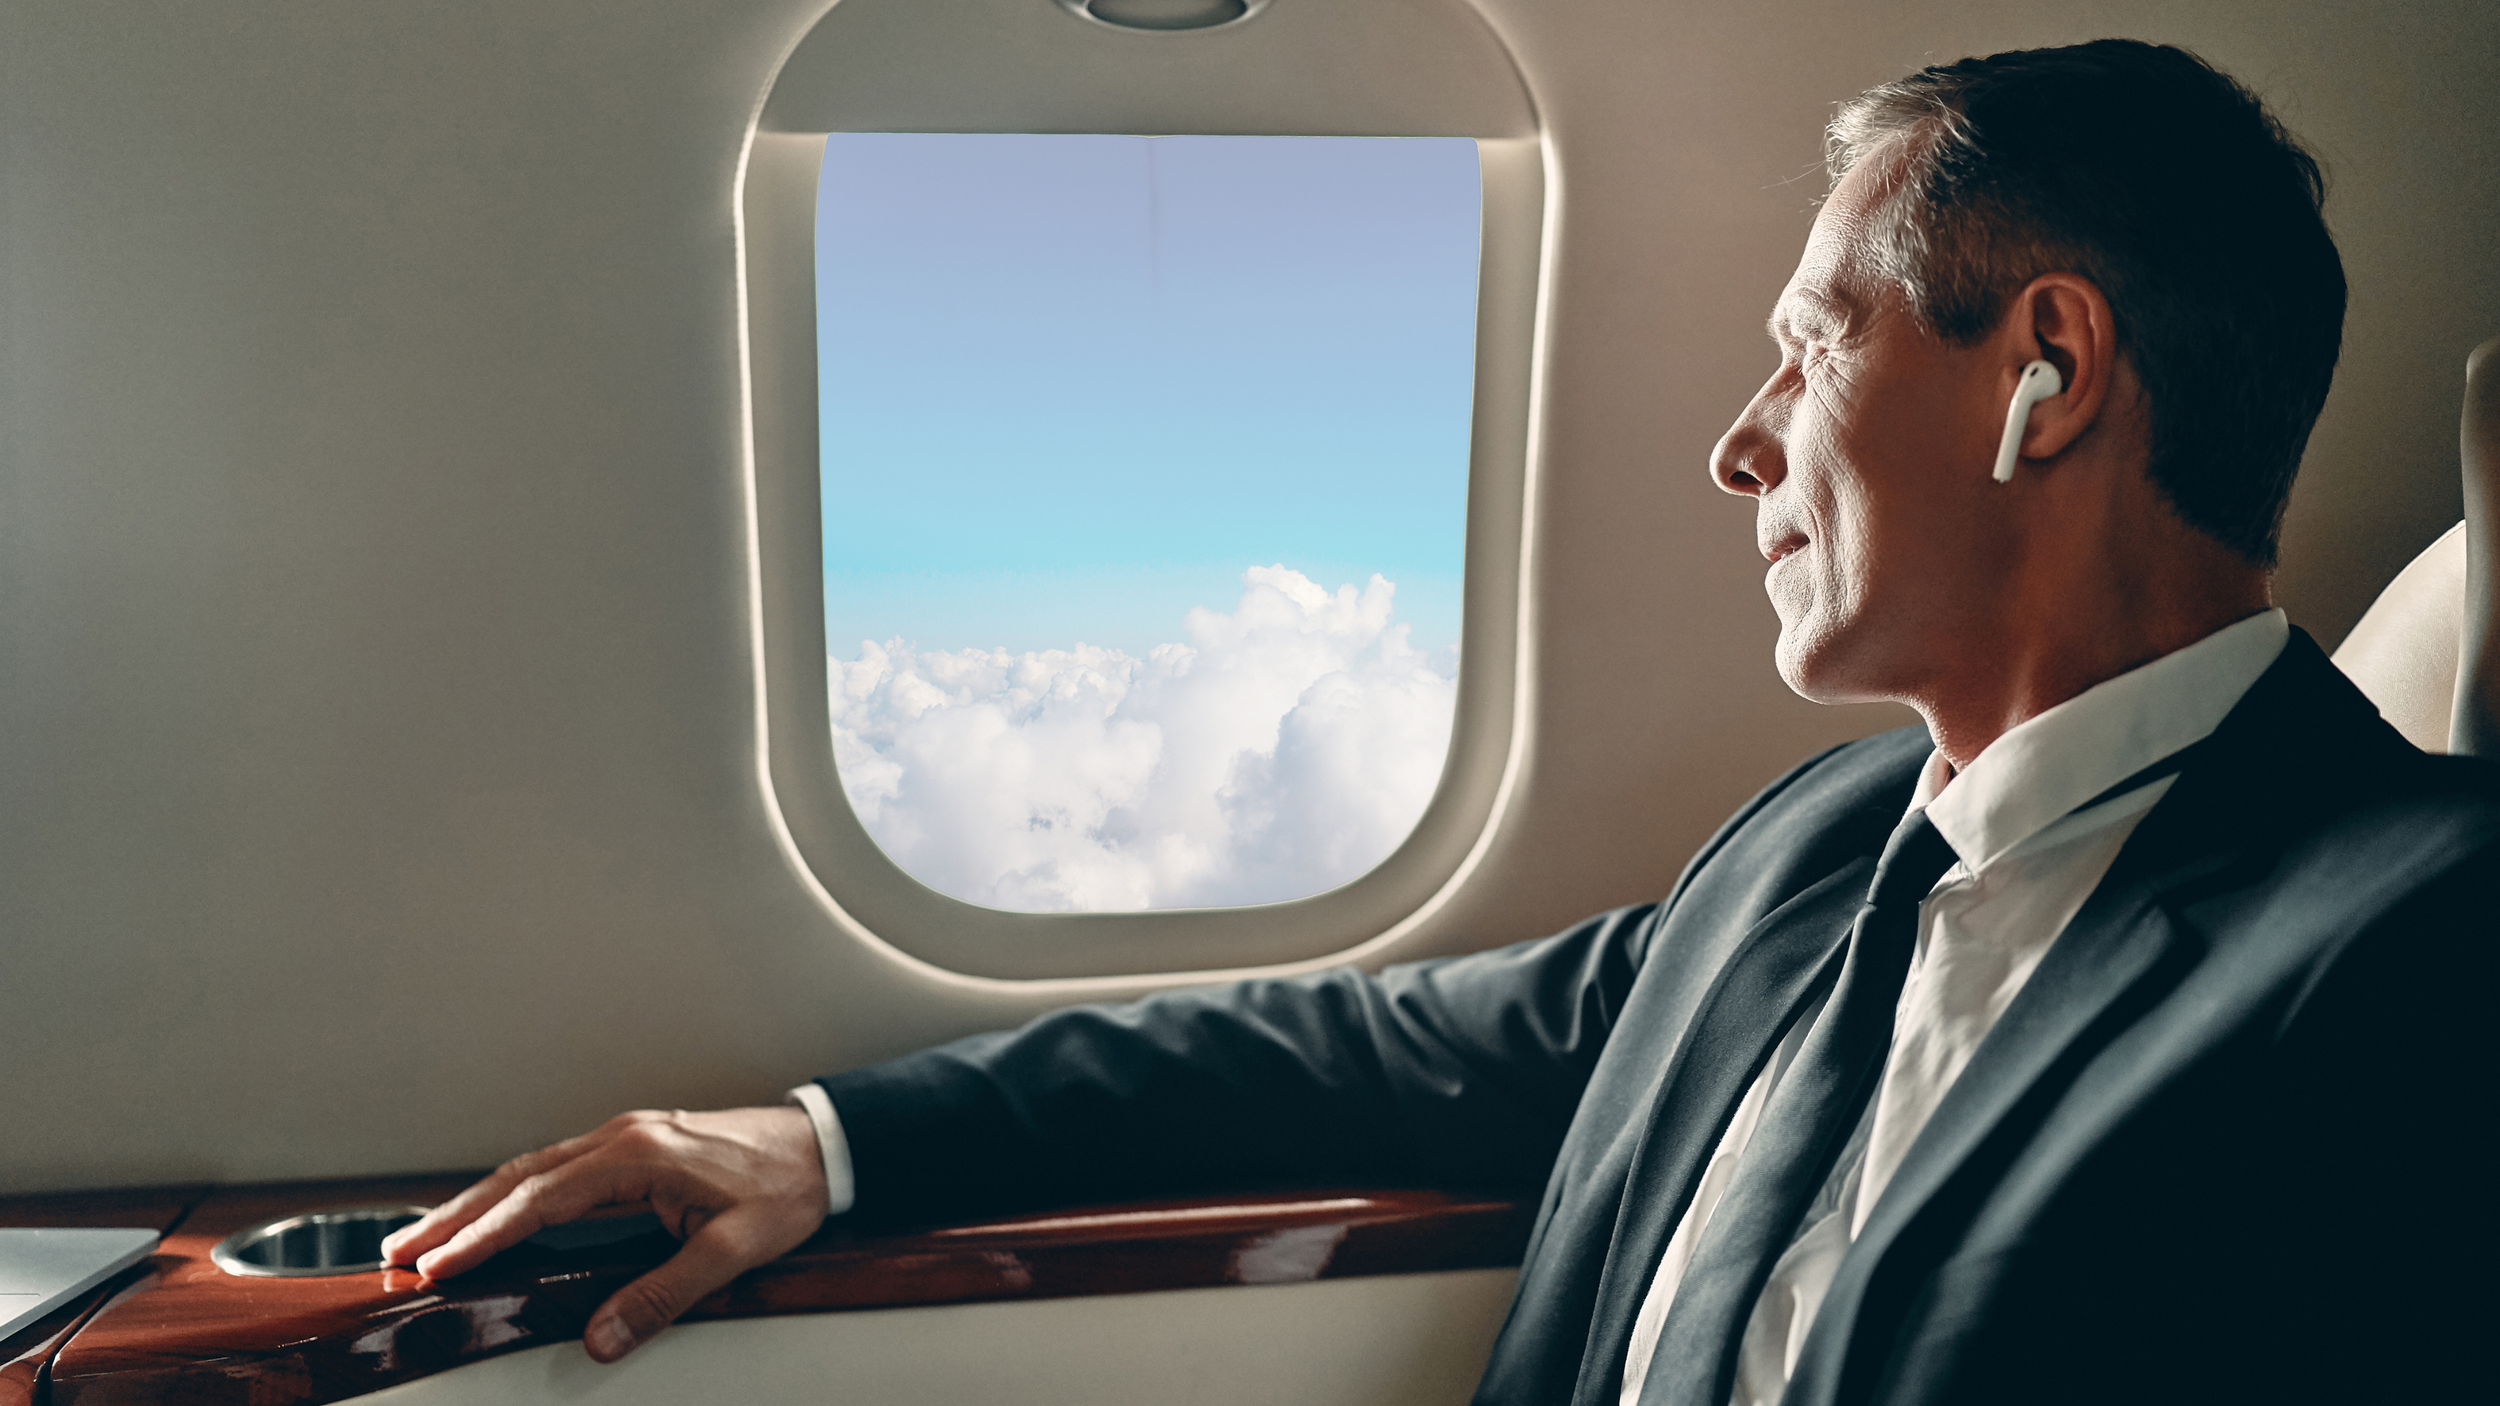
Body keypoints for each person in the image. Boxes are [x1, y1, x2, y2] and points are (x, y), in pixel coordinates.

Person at [382, 39, 2499, 1404]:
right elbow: (1360, 1046)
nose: (1734, 450)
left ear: (2043, 370)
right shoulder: (1812, 855)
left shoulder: (2408, 944)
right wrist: (830, 1140)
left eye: (1803, 347)